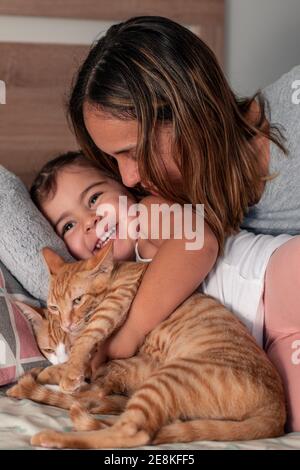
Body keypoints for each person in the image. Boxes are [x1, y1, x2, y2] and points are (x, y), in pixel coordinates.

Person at [66, 16, 300, 431]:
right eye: (112, 162)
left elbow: (197, 241)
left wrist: (122, 339)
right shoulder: (171, 203)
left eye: (132, 152)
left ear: (189, 114)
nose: (128, 179)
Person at [31, 150, 297, 431]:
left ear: (125, 188)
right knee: (292, 415)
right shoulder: (106, 295)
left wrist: (127, 335)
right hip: (265, 342)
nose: (90, 220)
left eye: (95, 199)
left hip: (273, 277)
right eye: (69, 225)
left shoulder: (146, 216)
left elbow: (198, 243)